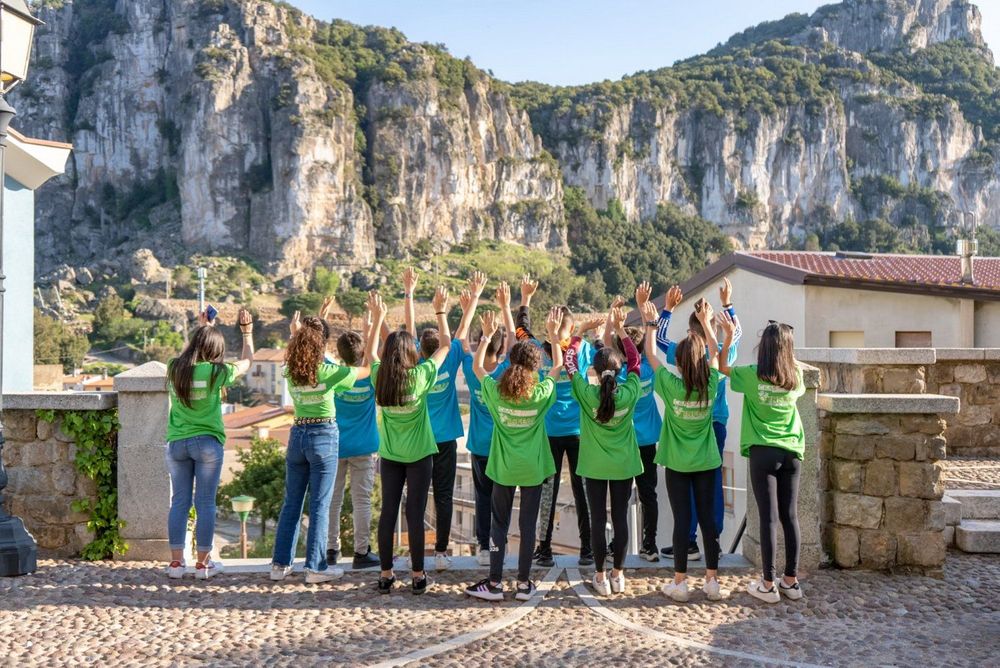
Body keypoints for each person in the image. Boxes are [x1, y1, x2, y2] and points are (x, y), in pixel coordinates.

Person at [466, 308, 563, 602]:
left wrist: (485, 336)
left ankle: (494, 583)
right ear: (535, 367)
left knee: (499, 524)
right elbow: (557, 366)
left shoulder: (497, 392)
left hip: (503, 468)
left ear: (510, 363)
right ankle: (524, 583)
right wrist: (554, 335)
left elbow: (477, 369)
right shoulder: (541, 393)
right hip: (532, 469)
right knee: (527, 525)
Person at [271, 314, 369, 584]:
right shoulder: (328, 372)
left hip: (297, 434)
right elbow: (365, 371)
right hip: (323, 436)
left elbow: (297, 348)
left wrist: (296, 332)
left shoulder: (290, 371)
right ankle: (315, 567)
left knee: (291, 502)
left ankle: (280, 565)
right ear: (320, 347)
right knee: (320, 504)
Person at [642, 299, 727, 602]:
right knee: (707, 522)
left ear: (677, 363)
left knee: (682, 522)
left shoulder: (669, 385)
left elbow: (651, 354)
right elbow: (716, 353)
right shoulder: (711, 384)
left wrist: (652, 323)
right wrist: (706, 323)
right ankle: (713, 581)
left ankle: (680, 583)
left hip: (677, 464)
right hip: (706, 462)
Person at [371, 289, 453, 595]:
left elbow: (371, 355)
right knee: (415, 514)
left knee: (388, 512)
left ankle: (385, 574)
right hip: (419, 456)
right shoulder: (419, 377)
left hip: (390, 456)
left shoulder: (380, 377)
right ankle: (418, 575)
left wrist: (377, 320)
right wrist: (440, 311)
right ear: (411, 353)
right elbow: (445, 345)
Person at [719, 315, 806, 604]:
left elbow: (721, 368)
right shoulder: (796, 378)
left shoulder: (751, 375)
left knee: (768, 518)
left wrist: (729, 337)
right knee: (790, 517)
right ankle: (791, 582)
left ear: (764, 348)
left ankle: (768, 584)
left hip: (763, 451)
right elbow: (793, 374)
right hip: (792, 451)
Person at [655, 278, 742, 562]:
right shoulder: (721, 352)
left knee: (687, 482)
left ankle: (690, 541)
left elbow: (658, 341)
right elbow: (736, 333)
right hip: (715, 423)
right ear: (710, 328)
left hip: (690, 426)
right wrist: (727, 303)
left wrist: (667, 309)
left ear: (690, 333)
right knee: (711, 482)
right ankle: (711, 540)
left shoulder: (683, 352)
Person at [165, 308, 254, 579]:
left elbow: (186, 356)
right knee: (205, 502)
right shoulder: (217, 372)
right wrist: (247, 332)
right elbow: (248, 361)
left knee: (179, 502)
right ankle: (203, 564)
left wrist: (204, 330)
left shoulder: (174, 368)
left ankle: (176, 564)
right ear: (216, 351)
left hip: (177, 443)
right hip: (207, 444)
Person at [517, 275, 597, 567]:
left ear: (549, 325)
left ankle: (545, 549)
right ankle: (588, 549)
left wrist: (525, 298)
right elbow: (591, 346)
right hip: (578, 430)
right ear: (571, 328)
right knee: (582, 488)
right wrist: (583, 332)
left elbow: (521, 330)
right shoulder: (581, 349)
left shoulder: (537, 350)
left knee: (547, 490)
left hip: (549, 431)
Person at [404, 267, 479, 570]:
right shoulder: (450, 356)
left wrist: (409, 292)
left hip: (419, 439)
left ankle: (416, 553)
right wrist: (469, 300)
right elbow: (460, 333)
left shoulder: (416, 363)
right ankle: (442, 553)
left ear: (421, 349)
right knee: (445, 495)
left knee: (418, 498)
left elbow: (408, 328)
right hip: (447, 436)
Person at [570, 305, 643, 596]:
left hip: (594, 465)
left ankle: (599, 577)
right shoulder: (629, 392)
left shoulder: (587, 394)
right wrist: (621, 330)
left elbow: (570, 364)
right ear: (619, 369)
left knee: (598, 520)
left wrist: (579, 333)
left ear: (597, 373)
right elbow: (636, 360)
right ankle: (618, 575)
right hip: (624, 465)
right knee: (621, 519)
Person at [603, 283, 663, 562]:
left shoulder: (618, 375)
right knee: (649, 494)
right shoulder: (648, 368)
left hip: (624, 442)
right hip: (649, 440)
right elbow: (650, 345)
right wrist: (644, 309)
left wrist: (613, 320)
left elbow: (605, 348)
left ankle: (619, 544)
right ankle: (650, 544)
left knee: (621, 497)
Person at [459, 279, 515, 566]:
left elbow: (461, 342)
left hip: (479, 444)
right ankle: (498, 546)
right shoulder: (506, 372)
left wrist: (472, 305)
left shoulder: (472, 368)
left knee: (482, 497)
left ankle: (483, 547)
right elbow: (516, 345)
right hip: (502, 446)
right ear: (501, 346)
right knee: (500, 499)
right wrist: (506, 307)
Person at [327, 328, 381, 570]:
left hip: (336, 446)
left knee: (333, 500)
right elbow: (373, 355)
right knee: (362, 502)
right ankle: (361, 552)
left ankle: (331, 549)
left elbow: (319, 352)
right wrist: (373, 324)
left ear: (340, 354)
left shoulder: (334, 373)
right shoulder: (370, 375)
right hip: (365, 446)